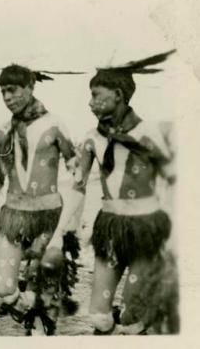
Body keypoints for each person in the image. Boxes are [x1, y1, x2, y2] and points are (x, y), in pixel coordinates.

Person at [42, 50, 178, 334]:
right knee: (99, 317)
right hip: (111, 230)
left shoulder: (149, 133)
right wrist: (59, 234)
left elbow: (172, 184)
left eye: (96, 94)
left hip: (147, 232)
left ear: (118, 94)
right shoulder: (92, 139)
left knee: (132, 317)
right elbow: (78, 188)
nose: (90, 102)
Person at [0, 64, 80, 335]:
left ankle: (40, 326)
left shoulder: (54, 123)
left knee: (42, 293)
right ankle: (29, 308)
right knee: (5, 289)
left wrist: (70, 223)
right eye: (3, 91)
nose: (8, 97)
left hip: (48, 217)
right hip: (12, 218)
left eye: (13, 90)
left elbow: (76, 175)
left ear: (30, 87)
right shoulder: (3, 130)